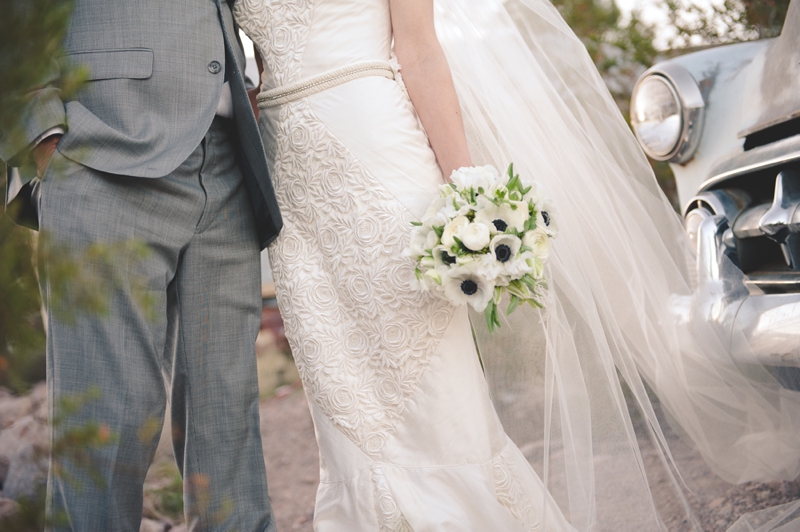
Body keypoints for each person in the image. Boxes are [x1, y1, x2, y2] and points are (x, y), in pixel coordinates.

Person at [236, 0, 800, 529]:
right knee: (341, 401)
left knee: (428, 388)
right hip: (290, 186)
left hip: (377, 157)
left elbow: (421, 51)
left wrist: (468, 193)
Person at [0, 1, 281, 530]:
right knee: (110, 416)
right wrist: (44, 139)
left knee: (228, 417)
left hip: (226, 159)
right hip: (103, 150)